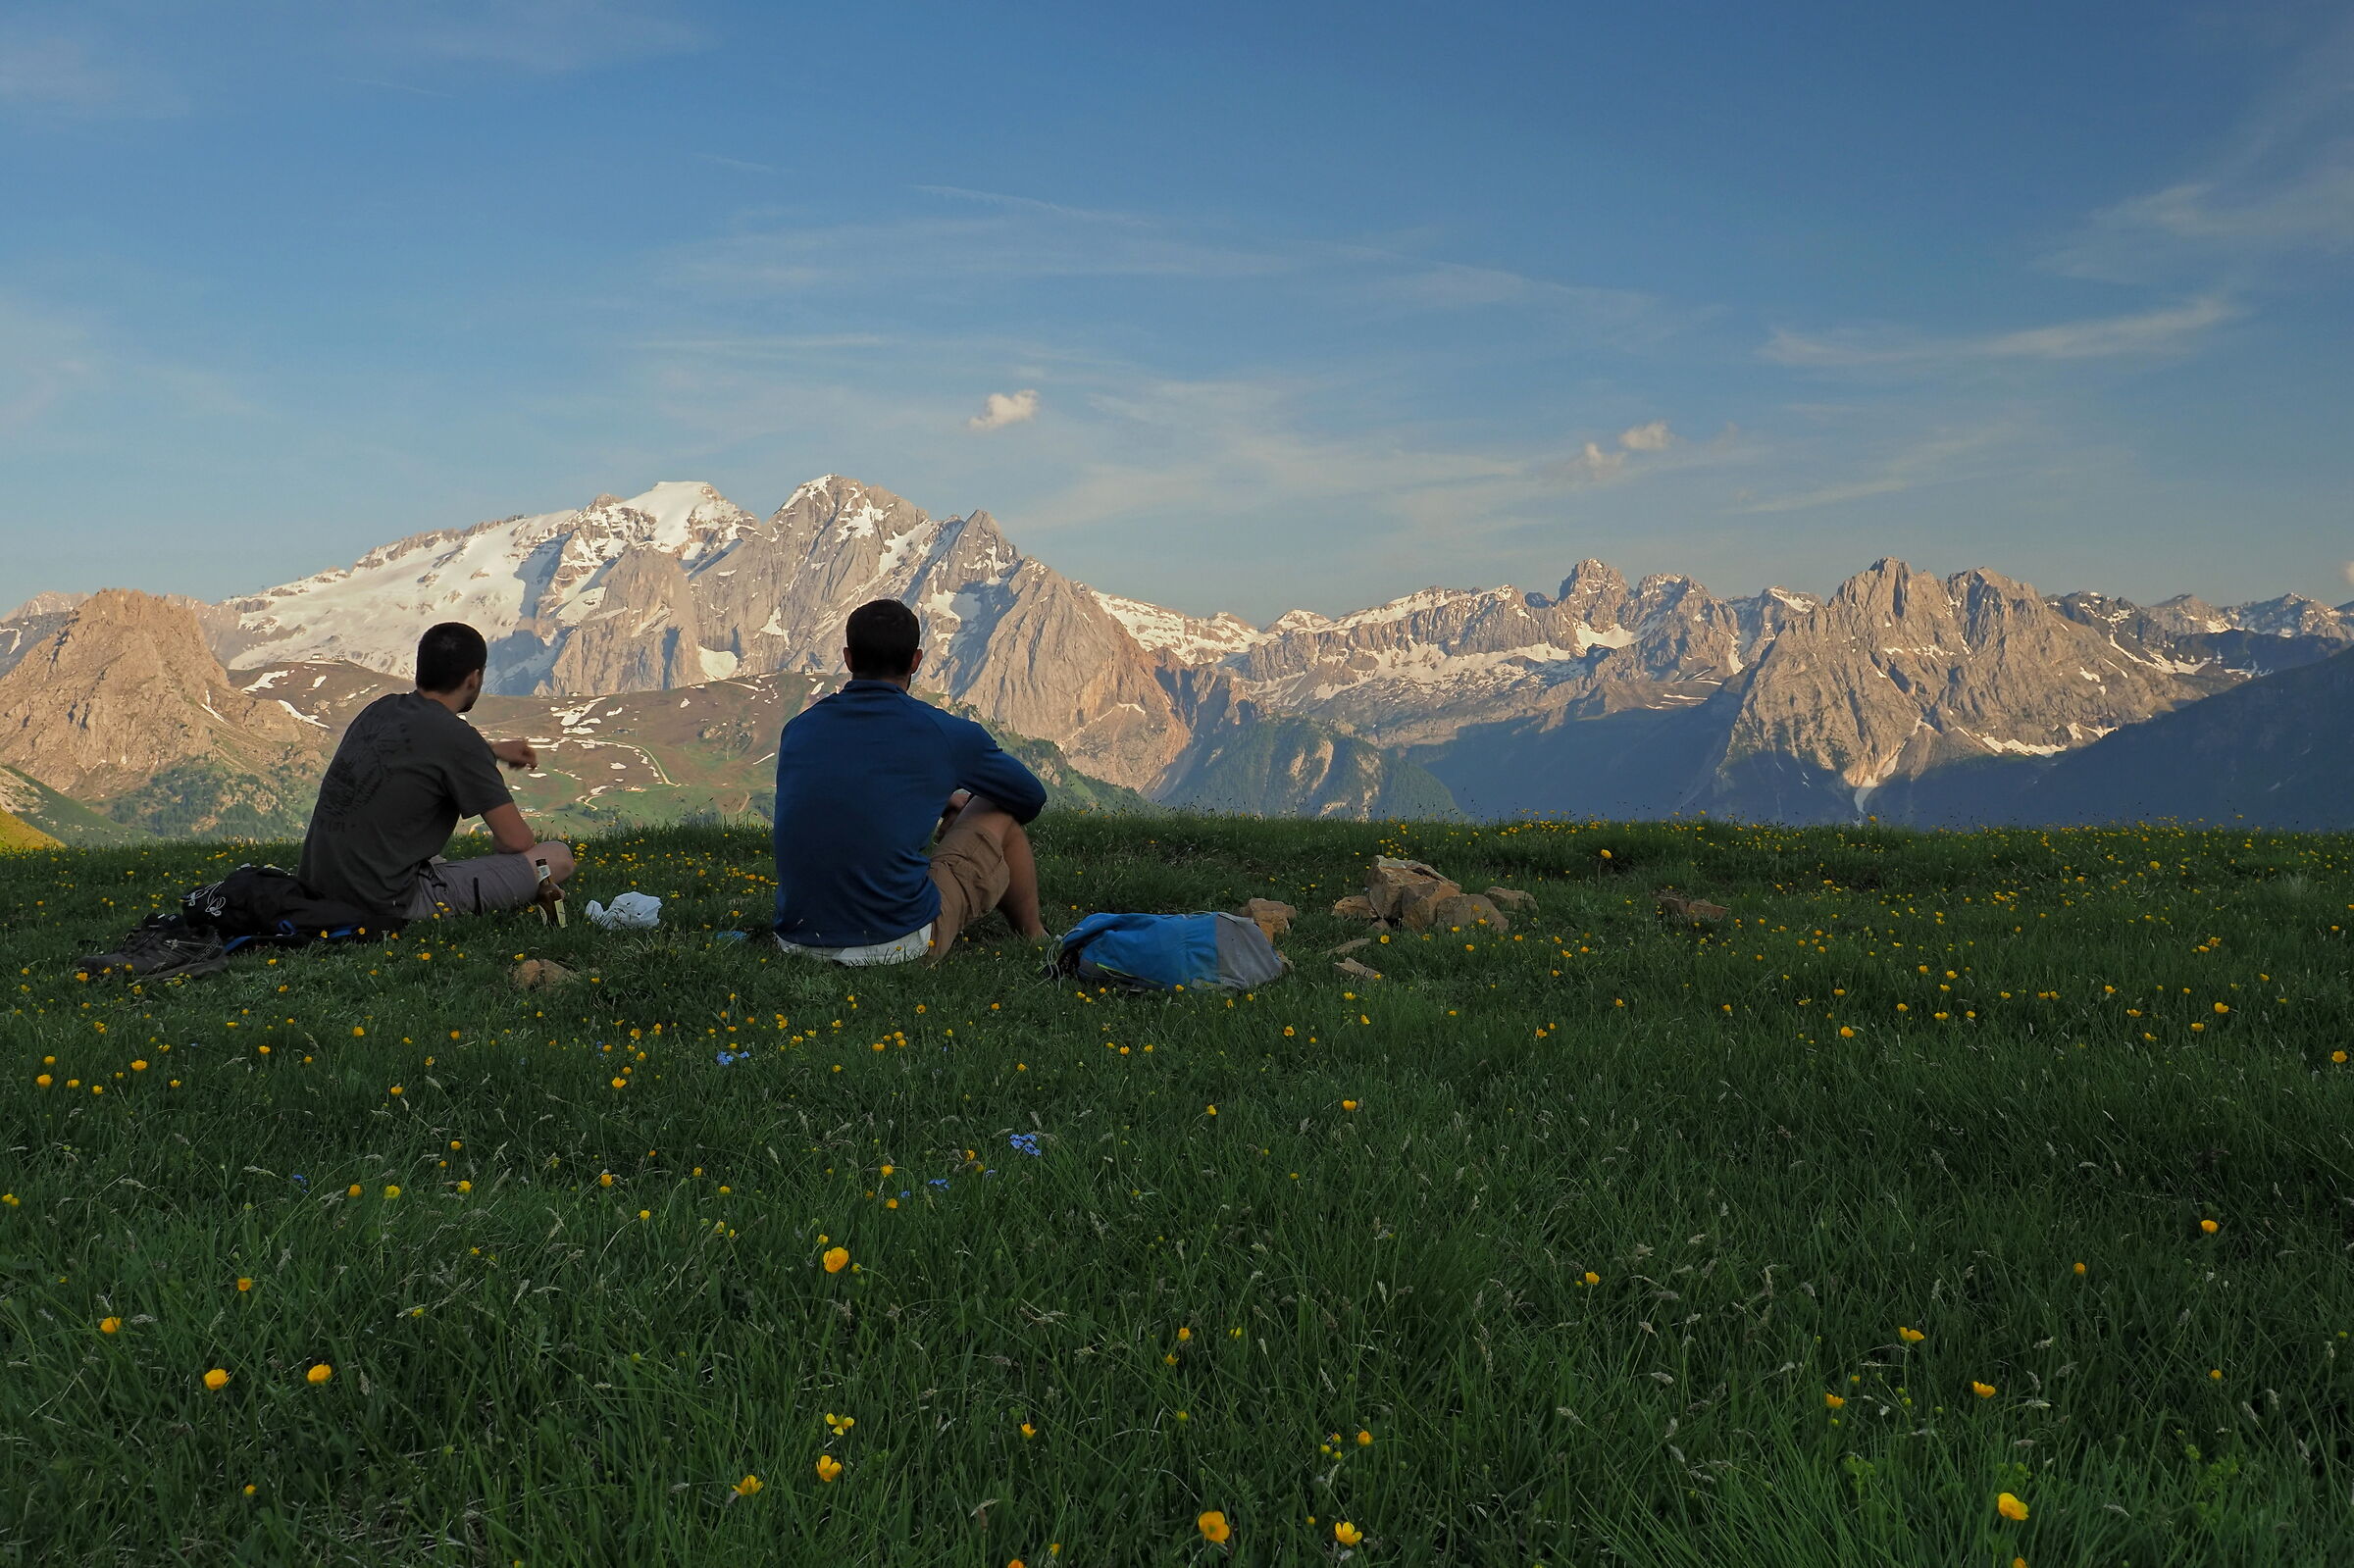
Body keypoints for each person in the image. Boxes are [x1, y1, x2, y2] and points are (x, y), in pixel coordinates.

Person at [770, 599, 1048, 965]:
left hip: (796, 941)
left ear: (849, 658)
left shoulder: (799, 728)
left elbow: (850, 784)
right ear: (916, 661)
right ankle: (1036, 937)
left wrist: (935, 797)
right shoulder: (945, 733)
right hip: (896, 945)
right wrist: (958, 807)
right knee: (997, 808)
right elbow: (1029, 797)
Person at [297, 622, 574, 929]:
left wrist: (490, 750)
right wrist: (507, 867)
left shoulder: (380, 709)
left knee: (436, 861)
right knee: (556, 856)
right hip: (385, 903)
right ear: (473, 678)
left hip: (317, 889)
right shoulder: (458, 741)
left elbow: (424, 745)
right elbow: (517, 841)